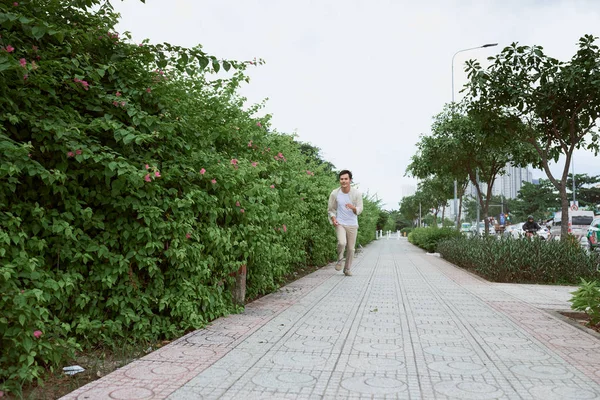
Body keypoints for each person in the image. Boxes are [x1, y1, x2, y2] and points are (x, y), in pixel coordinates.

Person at [327, 170, 363, 276]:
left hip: (352, 224)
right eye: (341, 179)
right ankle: (339, 259)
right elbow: (331, 209)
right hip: (340, 223)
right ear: (339, 180)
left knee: (351, 249)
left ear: (350, 180)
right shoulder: (335, 193)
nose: (343, 181)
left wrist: (353, 208)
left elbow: (360, 208)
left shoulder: (356, 193)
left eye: (346, 179)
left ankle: (347, 269)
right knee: (342, 243)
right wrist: (333, 219)